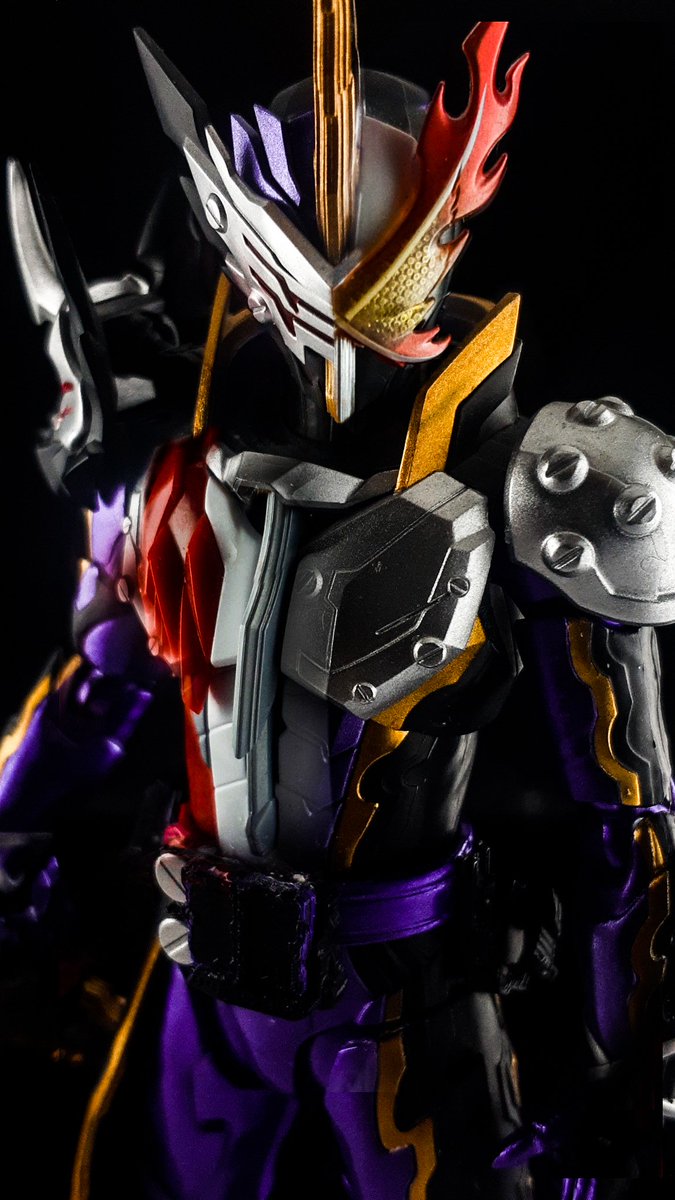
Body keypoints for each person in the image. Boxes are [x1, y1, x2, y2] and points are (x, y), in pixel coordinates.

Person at [1, 9, 673, 1198]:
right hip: (201, 981)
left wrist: (637, 1064)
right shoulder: (176, 472)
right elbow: (96, 689)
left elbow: (629, 813)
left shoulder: (533, 480)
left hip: (402, 993)